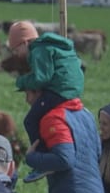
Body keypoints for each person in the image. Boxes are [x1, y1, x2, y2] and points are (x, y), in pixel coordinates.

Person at [8, 21, 84, 172]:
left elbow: (41, 78)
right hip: (73, 89)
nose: (16, 55)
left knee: (30, 120)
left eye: (16, 50)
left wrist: (21, 81)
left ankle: (42, 157)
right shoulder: (52, 46)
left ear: (24, 42)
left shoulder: (38, 51)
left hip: (59, 91)